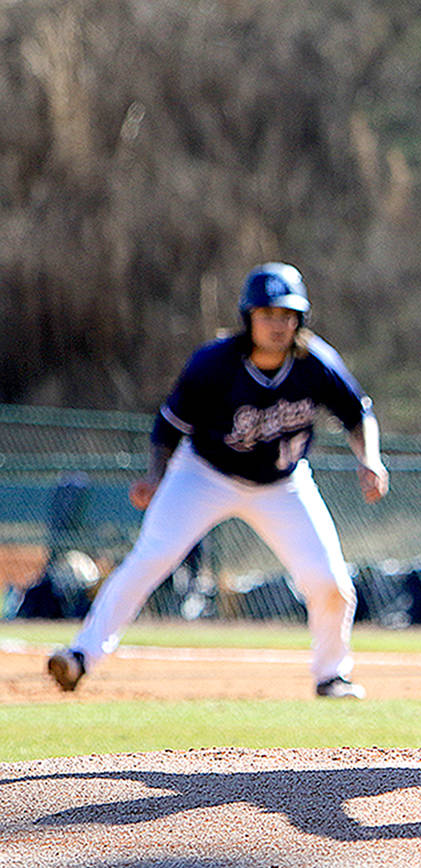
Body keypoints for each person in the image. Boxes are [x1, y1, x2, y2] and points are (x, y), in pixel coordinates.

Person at [47, 263, 389, 699]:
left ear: (299, 319)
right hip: (204, 475)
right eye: (267, 314)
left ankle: (331, 675)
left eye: (287, 314)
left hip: (283, 485)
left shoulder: (316, 362)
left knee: (330, 582)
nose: (278, 324)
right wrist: (155, 476)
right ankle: (80, 656)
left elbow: (358, 415)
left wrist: (371, 459)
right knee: (151, 558)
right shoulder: (215, 363)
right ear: (248, 317)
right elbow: (169, 425)